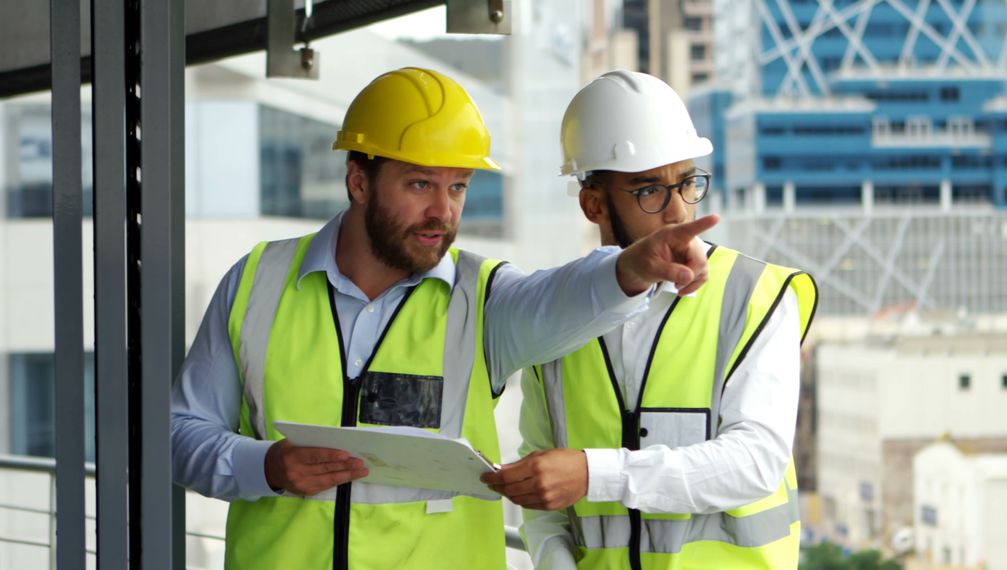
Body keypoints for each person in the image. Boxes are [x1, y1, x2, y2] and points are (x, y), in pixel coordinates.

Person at [170, 67, 718, 570]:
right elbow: (179, 435)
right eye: (419, 184)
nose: (444, 211)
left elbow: (562, 298)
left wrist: (632, 267)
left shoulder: (483, 301)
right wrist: (262, 465)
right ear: (358, 182)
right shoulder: (256, 283)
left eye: (457, 186)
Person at [482, 70, 818, 569]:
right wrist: (553, 557)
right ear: (594, 203)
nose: (678, 210)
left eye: (687, 182)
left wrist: (596, 474)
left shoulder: (756, 295)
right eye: (649, 191)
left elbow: (754, 463)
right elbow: (543, 468)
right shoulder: (558, 313)